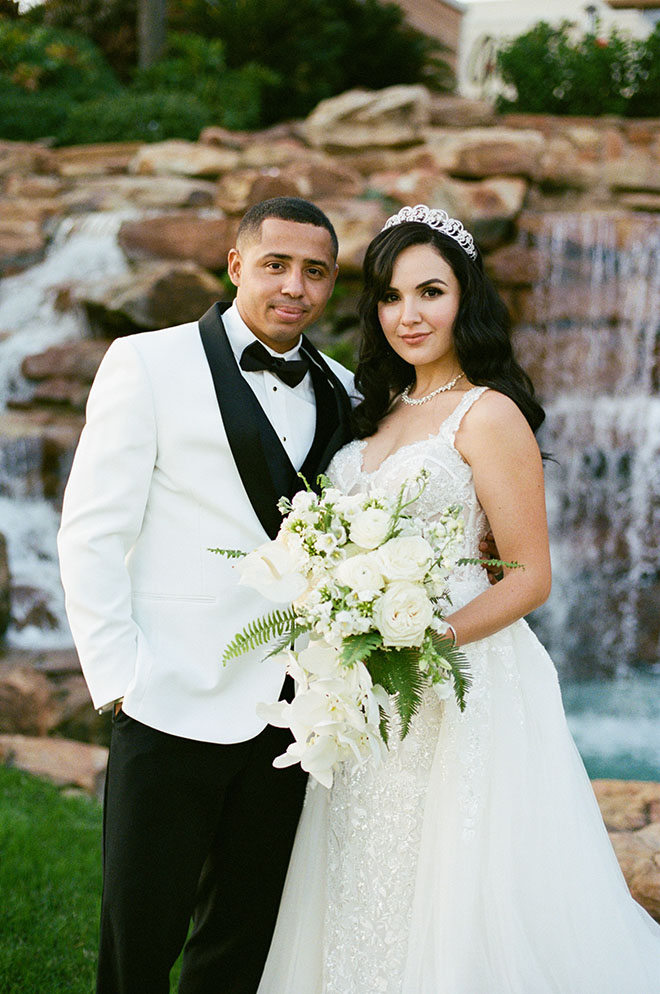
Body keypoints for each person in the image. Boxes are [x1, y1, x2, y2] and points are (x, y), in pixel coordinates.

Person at [256, 205, 660, 994]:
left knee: (460, 885)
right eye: (391, 296)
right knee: (368, 868)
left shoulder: (489, 412)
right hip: (368, 693)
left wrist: (421, 638)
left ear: (464, 298)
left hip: (456, 681)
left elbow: (530, 576)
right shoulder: (372, 413)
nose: (408, 315)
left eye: (430, 292)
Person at [57, 197, 358, 994]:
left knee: (242, 937)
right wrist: (120, 679)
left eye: (316, 271)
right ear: (235, 267)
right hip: (168, 694)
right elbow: (91, 531)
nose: (295, 285)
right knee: (139, 936)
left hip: (292, 713)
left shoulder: (347, 392)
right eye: (276, 264)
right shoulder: (145, 363)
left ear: (331, 284)